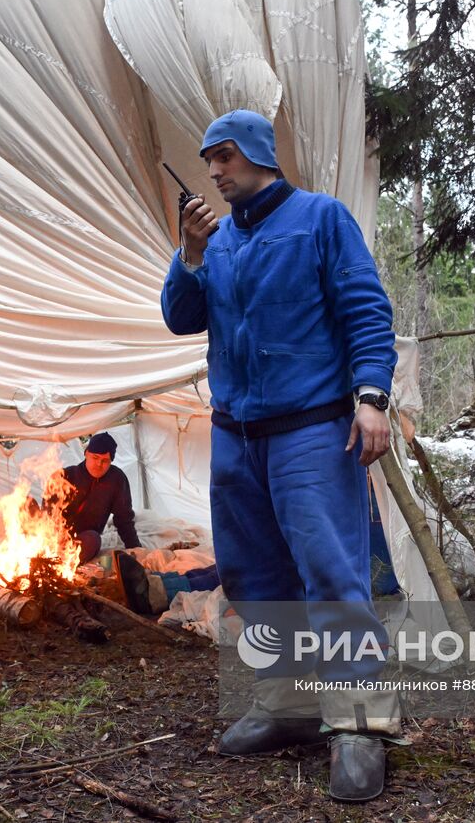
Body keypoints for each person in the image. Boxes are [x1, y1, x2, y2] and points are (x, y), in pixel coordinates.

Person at [160, 109, 400, 802]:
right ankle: (289, 702)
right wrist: (191, 254)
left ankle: (358, 720)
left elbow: (365, 309)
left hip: (310, 431)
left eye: (225, 156)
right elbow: (181, 317)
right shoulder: (220, 242)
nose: (213, 170)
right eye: (208, 159)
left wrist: (372, 395)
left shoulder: (321, 219)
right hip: (236, 435)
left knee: (330, 570)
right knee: (253, 573)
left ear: (260, 153)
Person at [56, 432, 141, 563]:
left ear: (111, 461)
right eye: (95, 458)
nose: (99, 464)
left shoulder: (117, 480)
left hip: (81, 540)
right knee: (26, 503)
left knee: (93, 539)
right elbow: (48, 515)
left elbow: (124, 519)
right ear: (86, 454)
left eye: (105, 460)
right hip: (54, 536)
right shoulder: (65, 476)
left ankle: (61, 564)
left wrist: (136, 549)